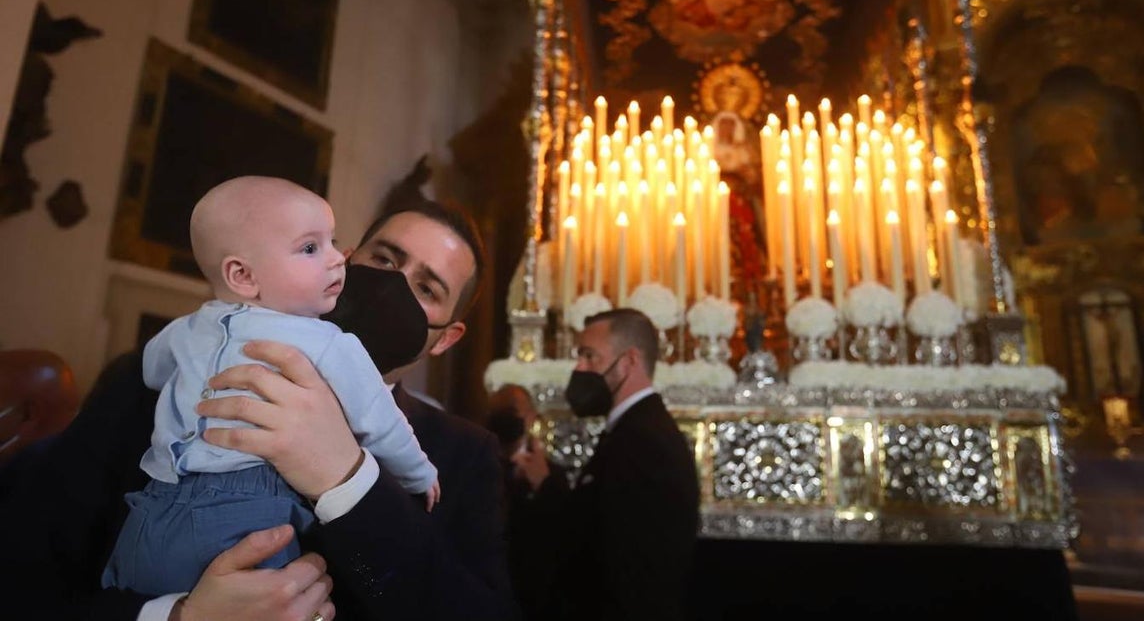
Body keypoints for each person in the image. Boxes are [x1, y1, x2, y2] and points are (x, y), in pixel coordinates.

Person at [1, 195, 517, 621]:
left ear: (446, 338)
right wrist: (177, 616)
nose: (393, 285)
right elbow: (23, 576)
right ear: (345, 260)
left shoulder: (464, 457)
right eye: (383, 259)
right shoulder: (153, 380)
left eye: (427, 288)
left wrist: (347, 478)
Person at [101, 177, 439, 596]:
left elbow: (154, 369)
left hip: (155, 507)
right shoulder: (328, 342)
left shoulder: (188, 328)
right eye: (311, 248)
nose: (338, 260)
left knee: (130, 588)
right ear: (242, 274)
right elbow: (381, 421)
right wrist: (419, 472)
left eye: (333, 242)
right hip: (248, 513)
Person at [553, 308, 700, 621]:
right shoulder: (636, 429)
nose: (579, 368)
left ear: (630, 361)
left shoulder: (644, 441)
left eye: (590, 356)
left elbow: (627, 563)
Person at [485, 384, 569, 620]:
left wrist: (541, 484)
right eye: (500, 411)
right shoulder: (477, 463)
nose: (508, 419)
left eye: (514, 411)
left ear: (531, 416)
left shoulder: (551, 475)